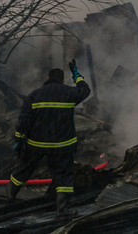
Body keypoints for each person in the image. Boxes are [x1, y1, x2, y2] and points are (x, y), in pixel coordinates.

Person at [7, 61, 90, 218]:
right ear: (63, 79)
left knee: (23, 170)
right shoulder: (69, 93)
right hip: (62, 145)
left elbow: (24, 120)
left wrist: (18, 140)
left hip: (36, 143)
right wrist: (77, 75)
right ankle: (62, 211)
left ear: (47, 77)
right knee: (64, 176)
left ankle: (10, 195)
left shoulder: (34, 95)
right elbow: (85, 90)